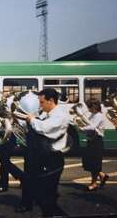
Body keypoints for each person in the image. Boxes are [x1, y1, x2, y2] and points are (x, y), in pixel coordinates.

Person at [25, 88, 69, 217]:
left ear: (51, 101)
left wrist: (32, 120)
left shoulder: (59, 115)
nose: (40, 105)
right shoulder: (48, 113)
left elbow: (44, 128)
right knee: (45, 199)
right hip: (45, 158)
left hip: (53, 160)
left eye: (42, 102)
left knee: (46, 199)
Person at [80, 98, 109, 191]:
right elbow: (89, 126)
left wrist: (82, 129)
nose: (88, 109)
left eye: (89, 107)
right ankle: (102, 175)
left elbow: (92, 127)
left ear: (94, 107)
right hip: (92, 139)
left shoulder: (99, 115)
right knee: (90, 162)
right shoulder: (93, 115)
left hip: (97, 140)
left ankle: (94, 184)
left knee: (94, 162)